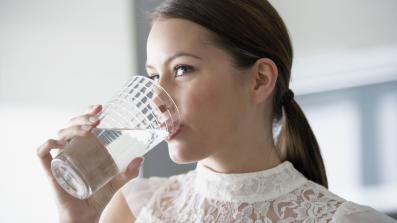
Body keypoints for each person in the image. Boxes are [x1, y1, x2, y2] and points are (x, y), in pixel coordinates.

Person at [37, 0, 397, 222]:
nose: (156, 98)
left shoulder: (348, 221)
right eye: (151, 76)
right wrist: (80, 220)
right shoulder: (135, 208)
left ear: (259, 80)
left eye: (181, 69)